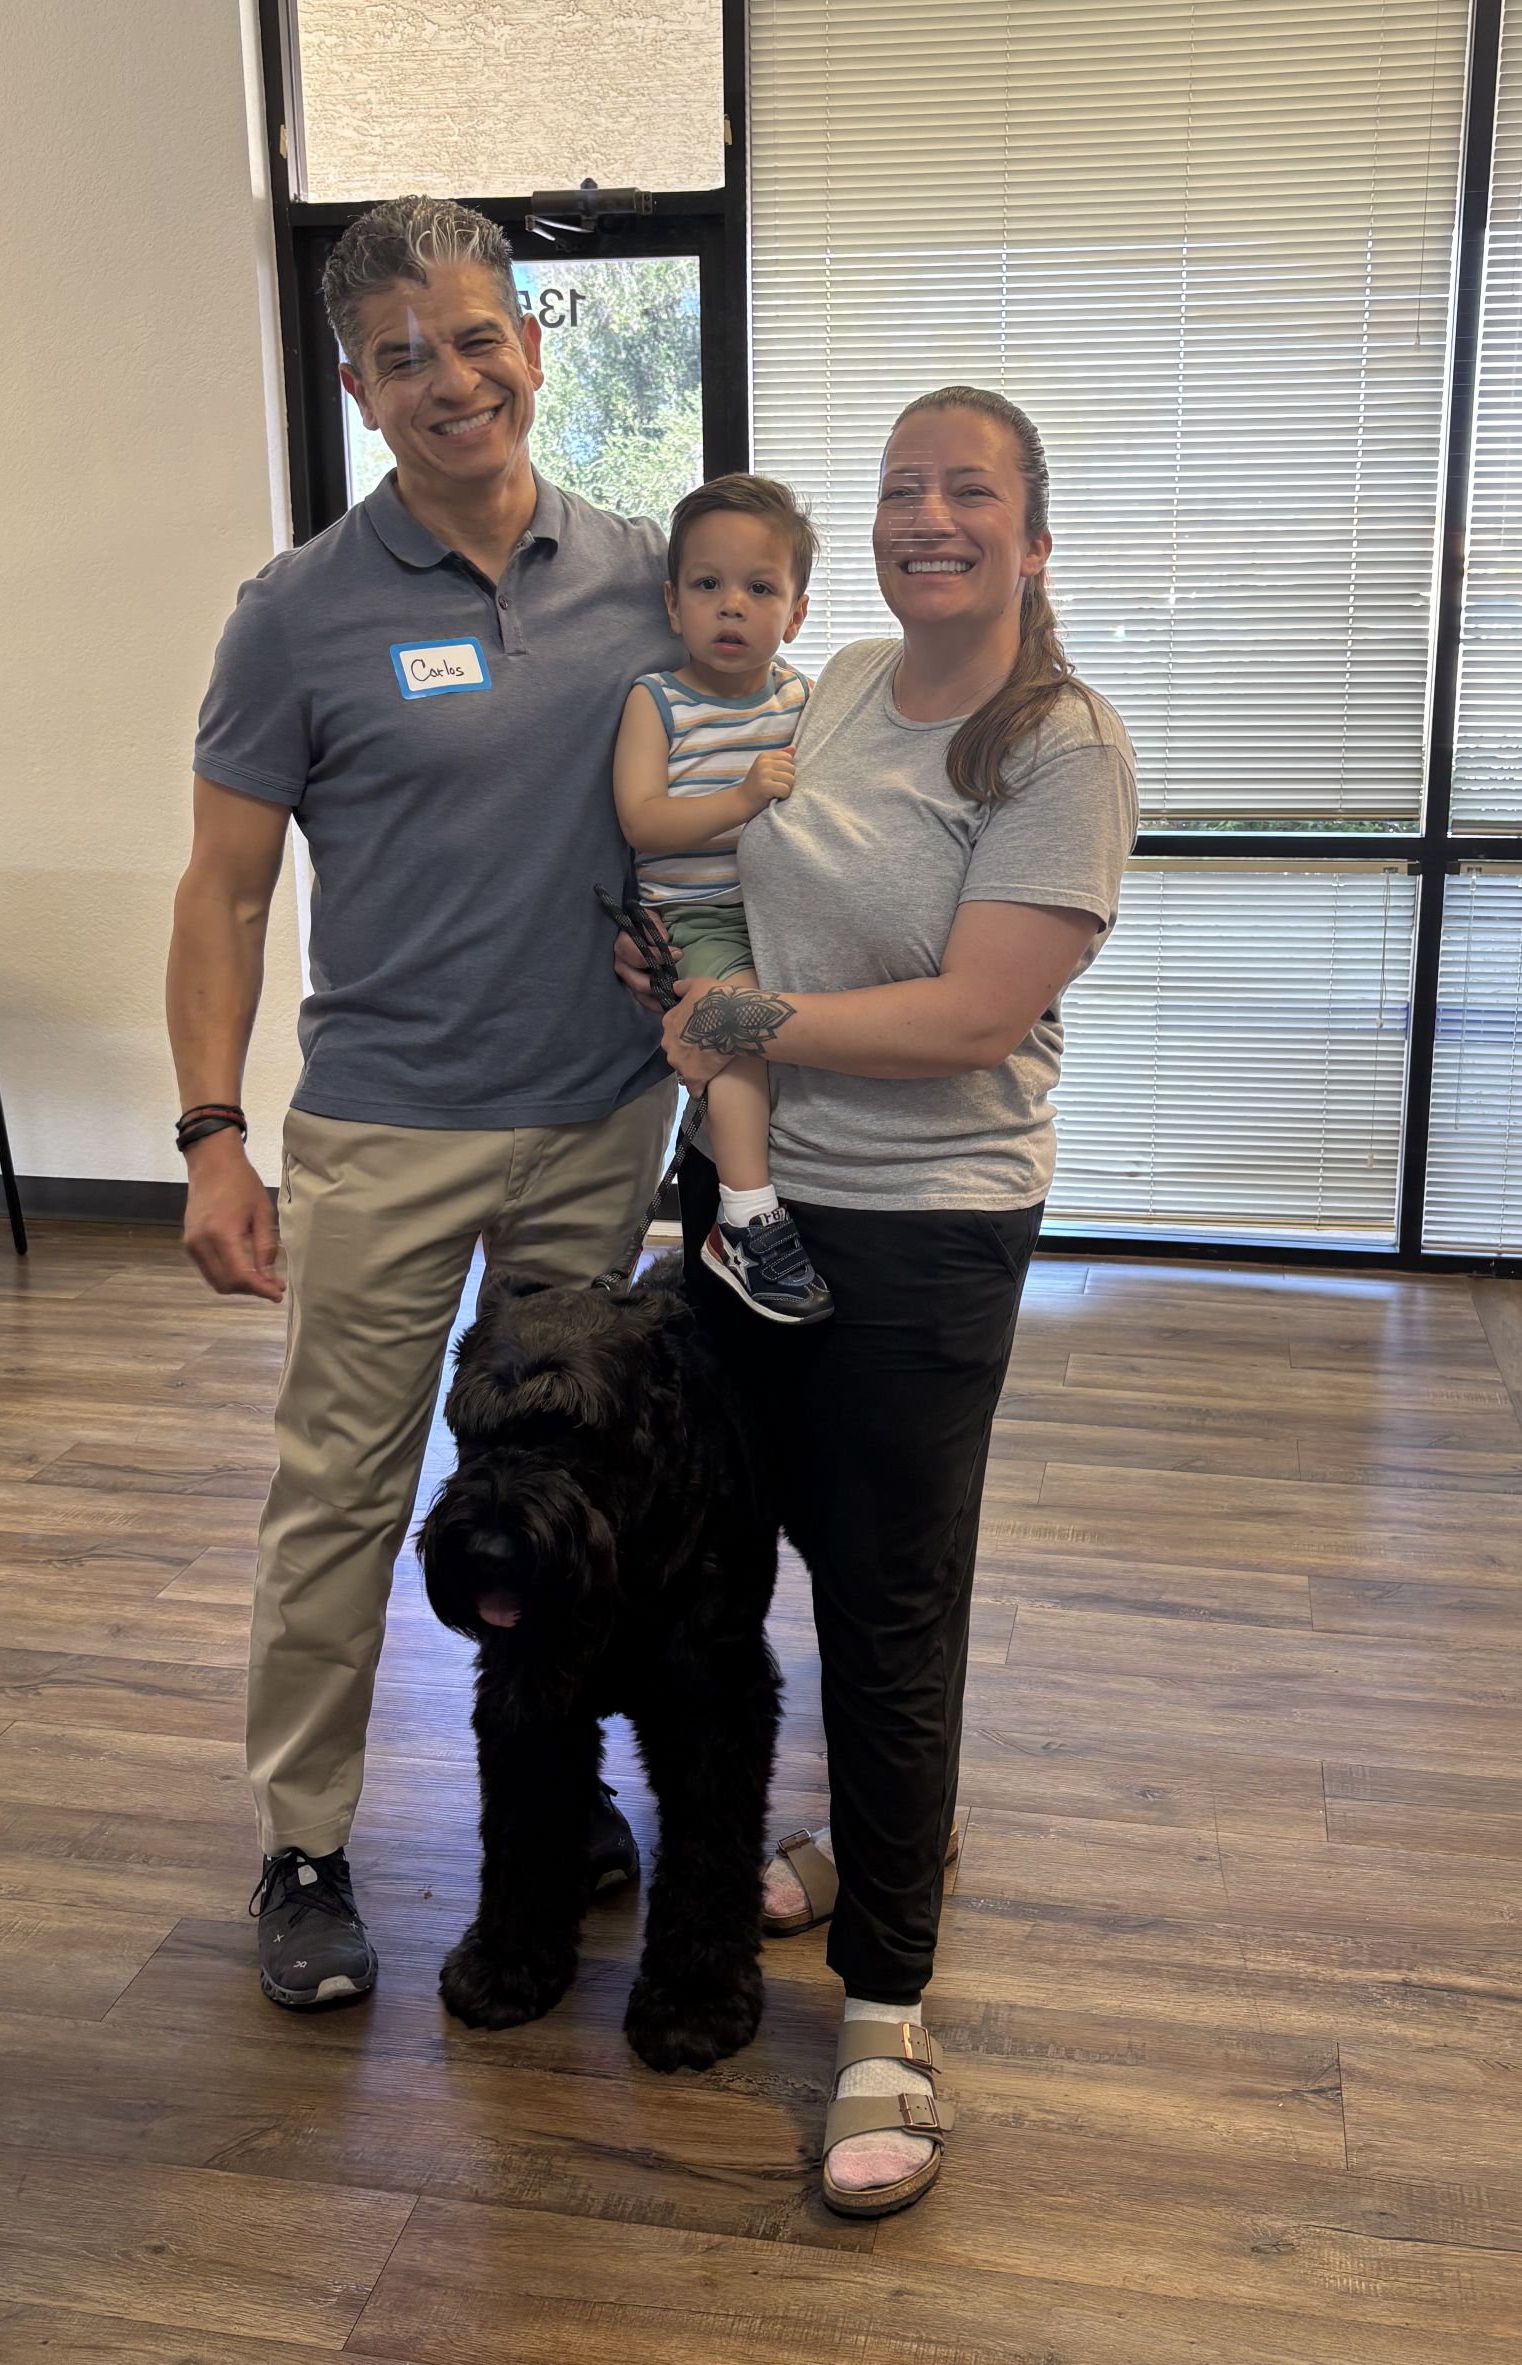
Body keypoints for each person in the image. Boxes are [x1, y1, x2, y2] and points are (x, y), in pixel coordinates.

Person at [620, 386, 1138, 2217]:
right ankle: (826, 1852)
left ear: (1030, 533)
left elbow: (971, 1017)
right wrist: (680, 974)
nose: (931, 515)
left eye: (970, 490)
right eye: (905, 486)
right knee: (730, 1560)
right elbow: (743, 885)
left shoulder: (1060, 745)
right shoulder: (833, 679)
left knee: (888, 1610)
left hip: (923, 1229)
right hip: (749, 1192)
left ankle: (889, 2016)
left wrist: (735, 1024)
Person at [167, 194, 681, 2013]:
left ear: (532, 342)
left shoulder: (647, 574)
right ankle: (303, 1845)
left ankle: (560, 1798)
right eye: (405, 357)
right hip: (384, 1128)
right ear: (358, 387)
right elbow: (224, 893)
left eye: (475, 338)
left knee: (567, 1479)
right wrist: (212, 1133)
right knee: (344, 1494)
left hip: (599, 1117)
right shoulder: (295, 615)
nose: (451, 380)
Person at [613, 474, 831, 1324]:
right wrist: (743, 800)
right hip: (695, 916)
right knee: (736, 1025)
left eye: (760, 588)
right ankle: (743, 1216)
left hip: (786, 909)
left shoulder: (802, 699)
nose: (731, 607)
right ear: (673, 604)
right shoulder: (657, 702)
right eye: (708, 586)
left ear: (798, 612)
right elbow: (642, 821)